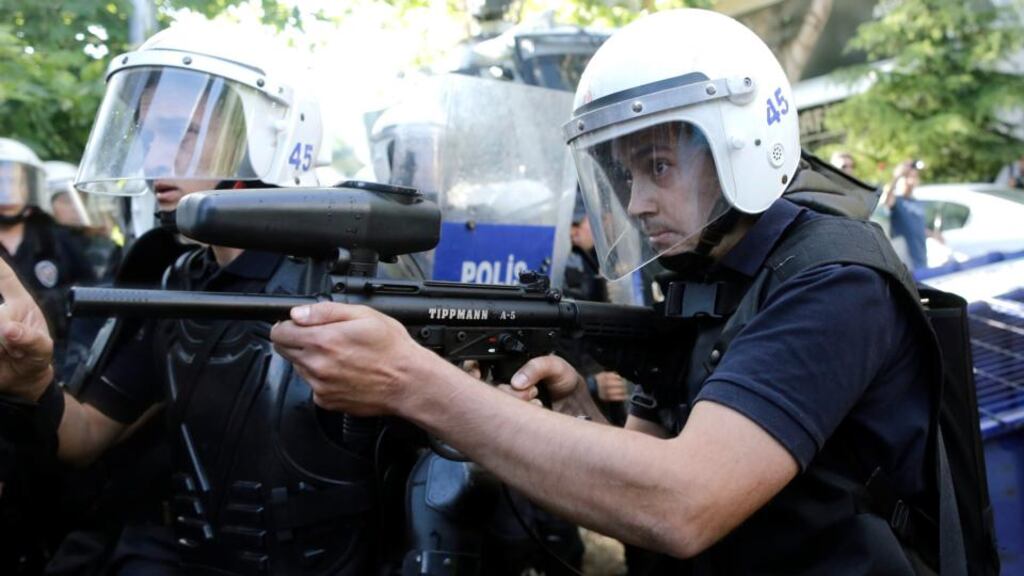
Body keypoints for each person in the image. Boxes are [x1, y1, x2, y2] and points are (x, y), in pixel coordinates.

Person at [270, 9, 946, 574]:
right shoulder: (695, 276)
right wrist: (579, 417)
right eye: (625, 177)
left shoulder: (833, 283)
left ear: (742, 142)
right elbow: (646, 476)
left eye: (658, 167)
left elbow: (681, 504)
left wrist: (412, 381)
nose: (639, 203)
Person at [1, 22, 399, 576]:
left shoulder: (353, 282)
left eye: (183, 132)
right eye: (147, 133)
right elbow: (86, 435)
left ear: (269, 139)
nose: (152, 157)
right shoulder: (176, 282)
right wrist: (31, 381)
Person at [883, 159, 929, 270]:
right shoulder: (897, 201)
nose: (912, 181)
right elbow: (886, 202)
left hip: (921, 258)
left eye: (915, 176)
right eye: (908, 176)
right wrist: (896, 177)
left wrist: (933, 234)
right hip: (904, 262)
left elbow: (917, 227)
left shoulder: (917, 202)